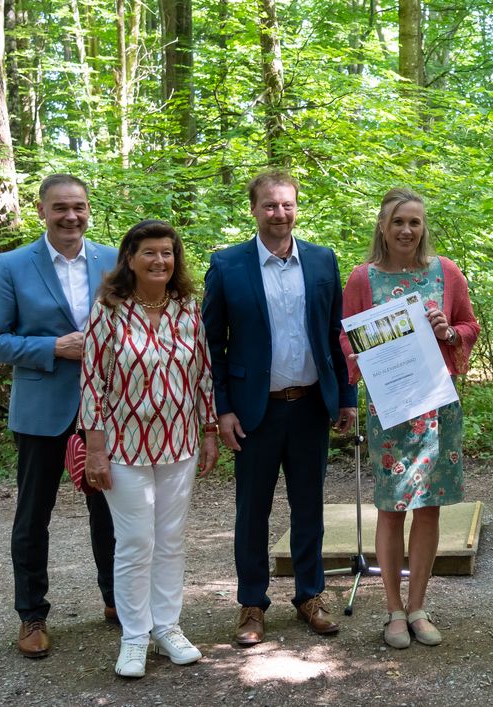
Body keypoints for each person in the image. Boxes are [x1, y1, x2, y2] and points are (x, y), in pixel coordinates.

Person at [202, 171, 357, 646]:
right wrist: (222, 409)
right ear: (253, 209)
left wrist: (346, 397)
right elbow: (212, 345)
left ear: (296, 207)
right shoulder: (228, 265)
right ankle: (252, 603)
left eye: (287, 205)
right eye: (270, 205)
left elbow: (337, 333)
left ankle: (310, 595)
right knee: (253, 511)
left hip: (310, 406)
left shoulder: (322, 260)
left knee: (309, 507)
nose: (279, 213)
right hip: (255, 412)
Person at [0, 174, 117, 659]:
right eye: (60, 207)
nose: (70, 216)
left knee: (111, 512)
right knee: (34, 517)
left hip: (107, 409)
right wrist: (53, 347)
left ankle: (116, 599)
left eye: (78, 206)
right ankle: (32, 615)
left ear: (89, 209)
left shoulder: (113, 260)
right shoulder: (13, 265)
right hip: (41, 412)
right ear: (41, 211)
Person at [340, 188, 480, 648]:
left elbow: (469, 326)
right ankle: (393, 611)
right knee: (390, 508)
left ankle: (418, 606)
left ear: (423, 227)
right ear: (382, 226)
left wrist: (449, 332)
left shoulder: (446, 272)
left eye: (414, 222)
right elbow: (346, 338)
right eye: (398, 221)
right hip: (390, 409)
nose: (406, 230)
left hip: (437, 407)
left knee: (428, 507)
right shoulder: (363, 278)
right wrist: (363, 356)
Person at [79, 220, 218, 678]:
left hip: (180, 442)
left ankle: (167, 627)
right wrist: (95, 448)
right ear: (130, 259)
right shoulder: (109, 309)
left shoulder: (187, 307)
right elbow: (92, 381)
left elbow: (203, 374)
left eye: (167, 253)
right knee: (136, 541)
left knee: (171, 539)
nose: (160, 261)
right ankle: (134, 636)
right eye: (150, 253)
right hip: (123, 446)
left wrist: (210, 431)